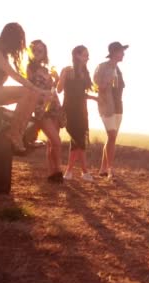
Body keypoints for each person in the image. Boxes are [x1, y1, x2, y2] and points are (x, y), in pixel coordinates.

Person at [0, 22, 51, 153]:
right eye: (19, 41)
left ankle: (20, 134)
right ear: (11, 38)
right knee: (28, 91)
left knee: (33, 94)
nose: (19, 45)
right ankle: (14, 134)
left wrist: (37, 92)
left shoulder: (2, 53)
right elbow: (13, 74)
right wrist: (39, 90)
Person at [27, 40, 66, 183]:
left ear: (44, 53)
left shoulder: (46, 69)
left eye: (40, 51)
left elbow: (52, 88)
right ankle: (58, 169)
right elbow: (30, 86)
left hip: (54, 105)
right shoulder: (29, 68)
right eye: (35, 51)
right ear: (30, 52)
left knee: (52, 142)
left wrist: (55, 79)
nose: (37, 54)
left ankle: (52, 173)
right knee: (56, 141)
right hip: (41, 107)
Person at [57, 45, 97, 182]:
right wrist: (62, 74)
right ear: (77, 55)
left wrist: (94, 98)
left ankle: (70, 171)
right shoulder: (67, 71)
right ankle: (84, 172)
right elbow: (59, 89)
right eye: (85, 55)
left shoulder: (85, 73)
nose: (88, 57)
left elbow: (82, 94)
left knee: (77, 142)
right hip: (69, 110)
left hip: (82, 111)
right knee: (78, 141)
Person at [93, 42, 128, 181]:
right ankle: (110, 169)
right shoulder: (102, 67)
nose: (124, 54)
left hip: (118, 106)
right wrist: (107, 81)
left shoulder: (118, 69)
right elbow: (96, 85)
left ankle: (103, 169)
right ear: (114, 52)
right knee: (112, 136)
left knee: (111, 138)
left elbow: (120, 88)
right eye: (121, 51)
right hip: (107, 105)